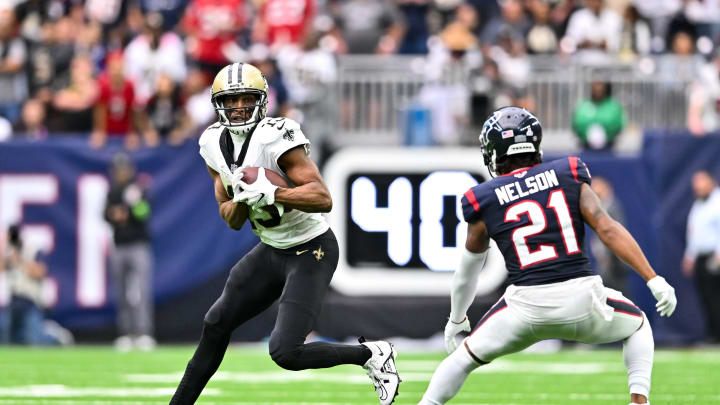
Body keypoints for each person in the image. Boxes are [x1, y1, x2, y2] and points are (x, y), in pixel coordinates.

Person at [169, 63, 400, 405]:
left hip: (311, 249)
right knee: (216, 323)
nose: (238, 108)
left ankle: (370, 354)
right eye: (230, 101)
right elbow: (230, 219)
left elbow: (323, 198)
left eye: (246, 99)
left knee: (285, 352)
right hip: (271, 249)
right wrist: (242, 199)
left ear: (261, 101)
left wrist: (273, 193)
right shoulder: (212, 143)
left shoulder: (277, 135)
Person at [419, 107, 677, 405]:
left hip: (524, 308)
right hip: (581, 299)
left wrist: (456, 319)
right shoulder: (567, 173)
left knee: (461, 360)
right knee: (639, 324)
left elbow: (467, 271)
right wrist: (652, 278)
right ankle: (639, 401)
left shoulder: (485, 197)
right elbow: (607, 228)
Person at [104, 153, 155, 352]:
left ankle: (143, 333)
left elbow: (144, 214)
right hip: (119, 245)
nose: (121, 173)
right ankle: (125, 333)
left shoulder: (138, 189)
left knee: (141, 291)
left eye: (123, 169)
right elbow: (106, 214)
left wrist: (133, 206)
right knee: (122, 292)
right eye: (118, 170)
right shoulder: (113, 192)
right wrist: (115, 214)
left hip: (138, 245)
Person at [682, 170, 720, 343]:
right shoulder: (698, 204)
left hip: (715, 256)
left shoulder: (717, 201)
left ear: (711, 182)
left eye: (701, 182)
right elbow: (694, 232)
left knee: (716, 296)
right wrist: (689, 256)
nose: (697, 186)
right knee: (706, 296)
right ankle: (712, 334)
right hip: (701, 257)